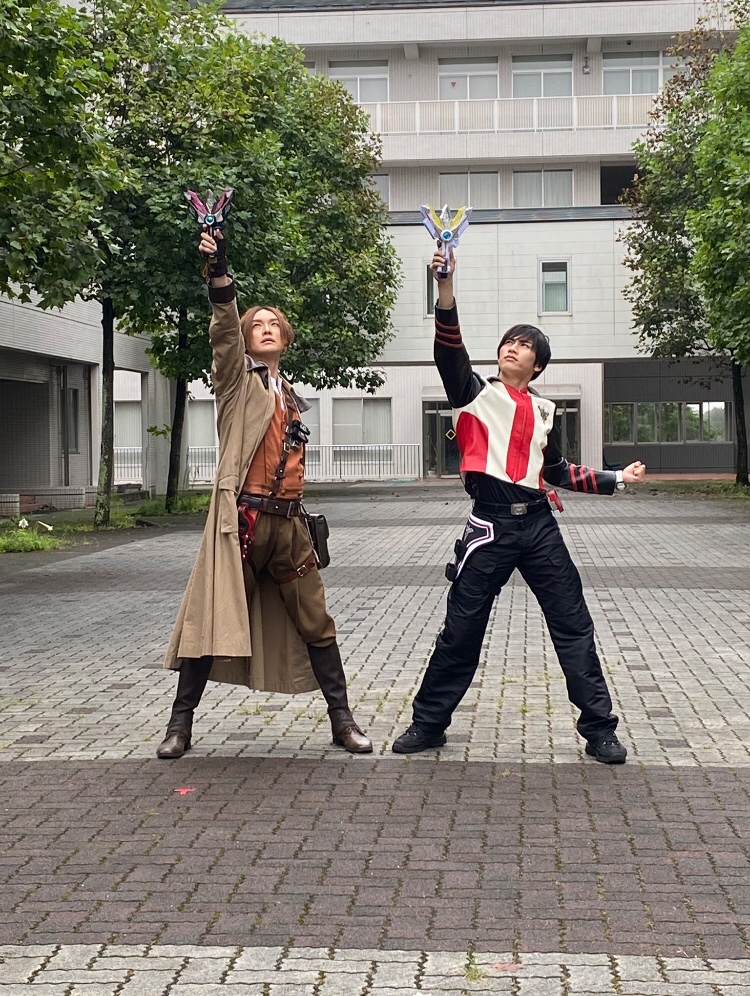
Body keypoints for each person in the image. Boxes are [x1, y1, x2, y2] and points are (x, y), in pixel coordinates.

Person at [392, 248, 646, 764]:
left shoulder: (545, 410)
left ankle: (599, 730)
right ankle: (428, 724)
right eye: (509, 341)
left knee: (574, 625)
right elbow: (449, 350)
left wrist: (617, 478)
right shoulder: (472, 394)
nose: (513, 347)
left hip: (539, 528)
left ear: (538, 364)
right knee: (461, 631)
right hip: (488, 528)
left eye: (525, 344)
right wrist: (445, 288)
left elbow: (557, 471)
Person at [156, 226, 371, 758]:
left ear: (286, 337)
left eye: (274, 324)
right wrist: (220, 274)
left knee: (316, 620)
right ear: (247, 338)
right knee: (212, 617)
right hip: (243, 522)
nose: (266, 329)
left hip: (290, 525)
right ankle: (179, 726)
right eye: (258, 324)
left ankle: (343, 722)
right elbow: (223, 336)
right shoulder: (237, 382)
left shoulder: (290, 393)